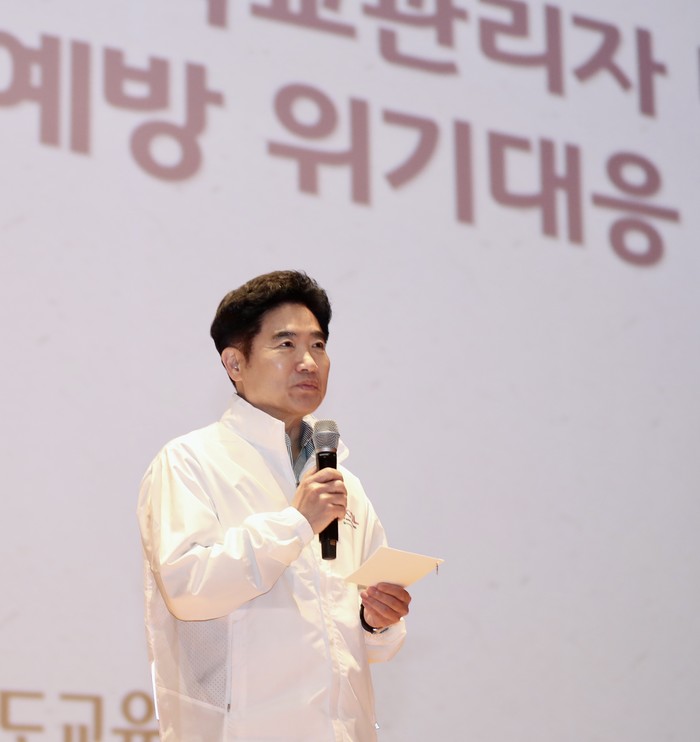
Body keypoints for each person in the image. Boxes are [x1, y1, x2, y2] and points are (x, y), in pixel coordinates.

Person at [137, 270, 411, 742]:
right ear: (235, 363)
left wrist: (376, 621)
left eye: (318, 345)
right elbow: (188, 589)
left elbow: (368, 646)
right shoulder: (189, 461)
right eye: (286, 344)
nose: (308, 361)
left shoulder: (343, 484)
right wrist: (296, 522)